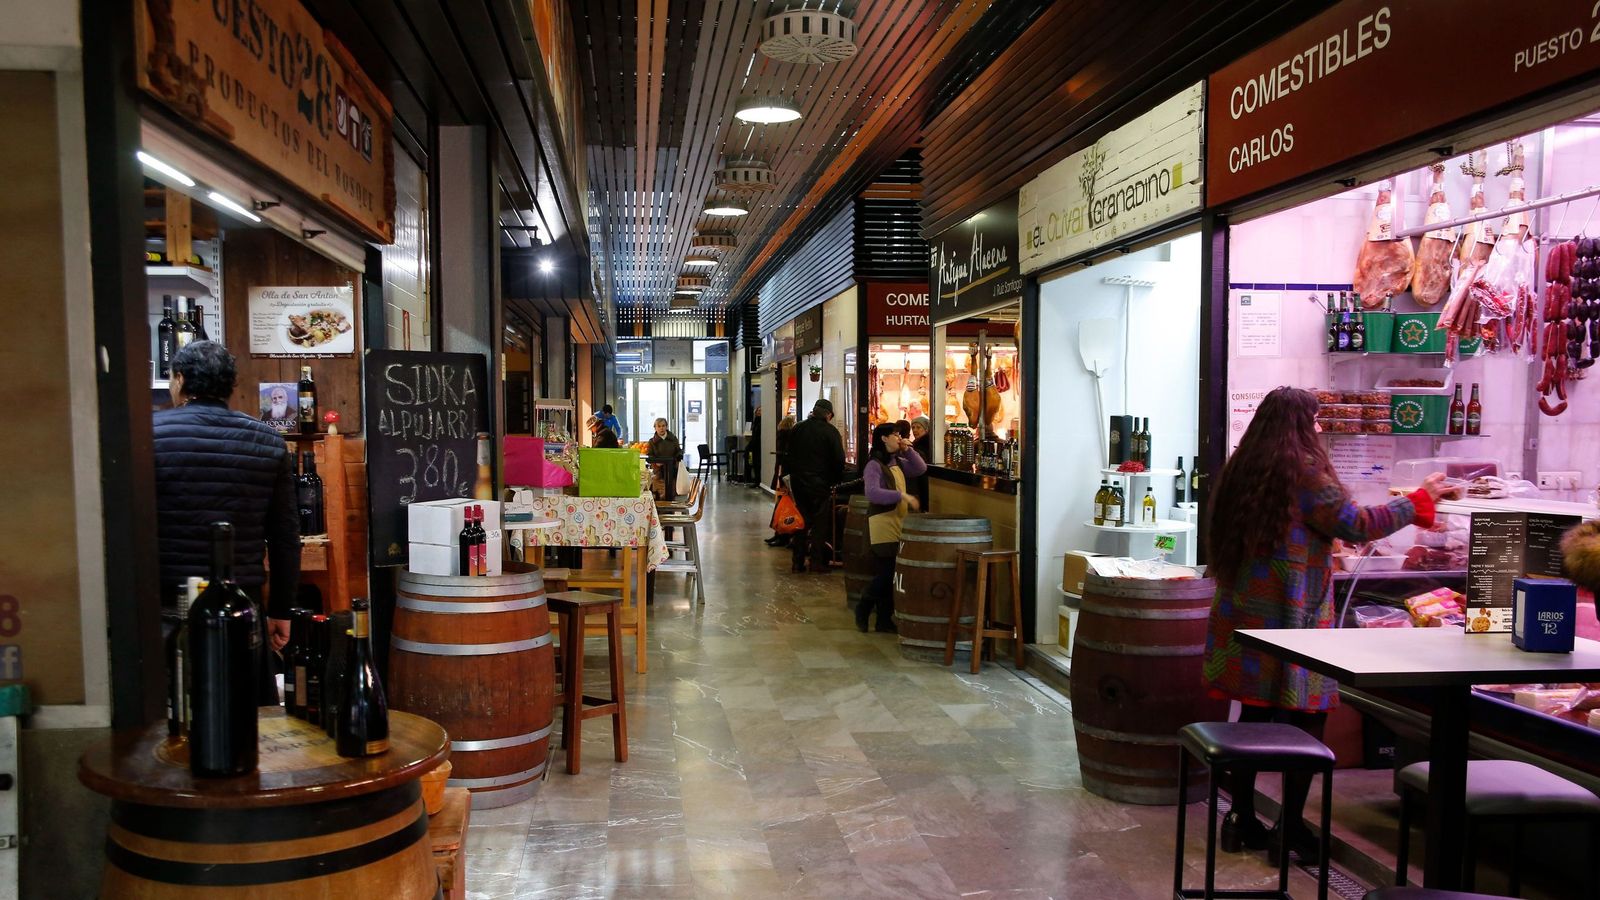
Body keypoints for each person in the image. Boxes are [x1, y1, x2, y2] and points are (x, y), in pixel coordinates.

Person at [1203, 386, 1456, 862]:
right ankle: (1289, 830)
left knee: (1254, 714)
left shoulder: (1244, 467)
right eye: (1316, 420)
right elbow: (1357, 523)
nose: (1320, 428)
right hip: (1292, 613)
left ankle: (1240, 818)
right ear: (1303, 424)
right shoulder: (1304, 469)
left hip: (1244, 612)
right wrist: (1420, 500)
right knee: (1308, 713)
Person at [154, 341, 301, 704]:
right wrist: (281, 609)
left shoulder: (148, 435)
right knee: (242, 715)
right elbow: (285, 536)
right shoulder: (268, 441)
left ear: (179, 379)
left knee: (168, 718)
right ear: (231, 386)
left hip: (165, 603)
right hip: (241, 603)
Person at [854, 422, 925, 633]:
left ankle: (884, 620)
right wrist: (901, 495)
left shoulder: (898, 461)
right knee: (887, 572)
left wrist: (908, 450)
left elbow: (920, 468)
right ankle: (864, 604)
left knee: (891, 573)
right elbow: (872, 493)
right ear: (884, 438)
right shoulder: (874, 465)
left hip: (898, 522)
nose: (899, 438)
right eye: (895, 435)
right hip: (882, 523)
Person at [784, 399, 845, 574]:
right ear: (828, 414)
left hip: (798, 483)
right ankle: (816, 562)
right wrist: (834, 480)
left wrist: (789, 478)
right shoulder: (830, 431)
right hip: (820, 485)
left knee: (801, 522)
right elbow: (839, 460)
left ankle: (797, 562)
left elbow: (788, 454)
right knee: (819, 525)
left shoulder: (798, 428)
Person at [764, 415, 798, 547]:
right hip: (787, 475)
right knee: (788, 506)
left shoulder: (781, 435)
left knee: (781, 505)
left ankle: (778, 532)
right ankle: (784, 534)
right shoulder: (791, 436)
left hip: (781, 473)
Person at [645, 418, 682, 501]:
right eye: (659, 426)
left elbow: (678, 451)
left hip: (672, 470)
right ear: (655, 428)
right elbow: (649, 455)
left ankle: (670, 508)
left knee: (671, 494)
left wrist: (678, 456)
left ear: (666, 427)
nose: (661, 428)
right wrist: (656, 462)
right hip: (658, 471)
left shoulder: (673, 439)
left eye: (663, 426)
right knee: (660, 494)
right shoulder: (652, 442)